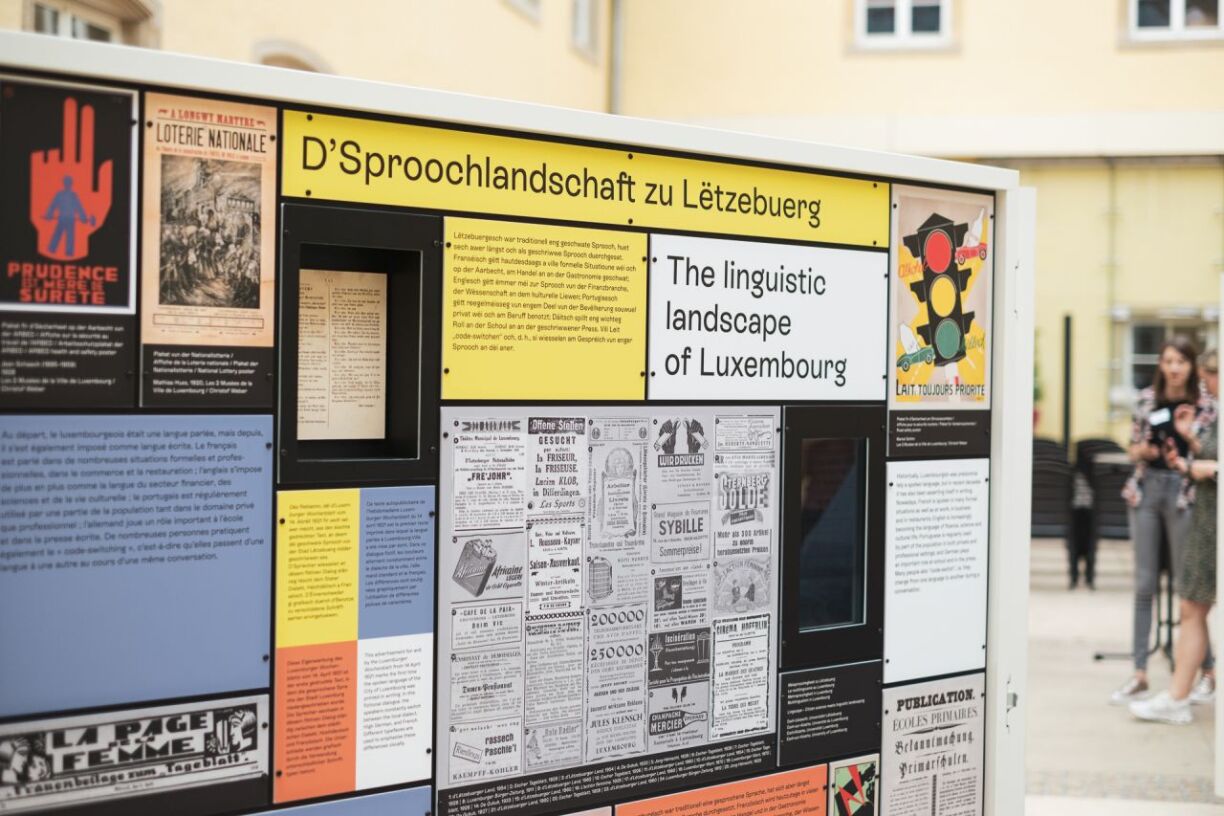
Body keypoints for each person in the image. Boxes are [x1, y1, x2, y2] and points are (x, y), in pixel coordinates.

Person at [1110, 337, 1216, 704]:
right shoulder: (1146, 400)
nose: (1173, 368)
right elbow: (1132, 446)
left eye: (1181, 362)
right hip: (1147, 491)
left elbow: (1209, 452)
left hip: (1186, 494)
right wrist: (1141, 450)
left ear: (1191, 367)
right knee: (1144, 583)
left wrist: (1188, 441)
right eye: (1168, 361)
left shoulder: (1206, 404)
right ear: (1160, 364)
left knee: (1190, 590)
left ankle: (1207, 672)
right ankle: (1139, 672)